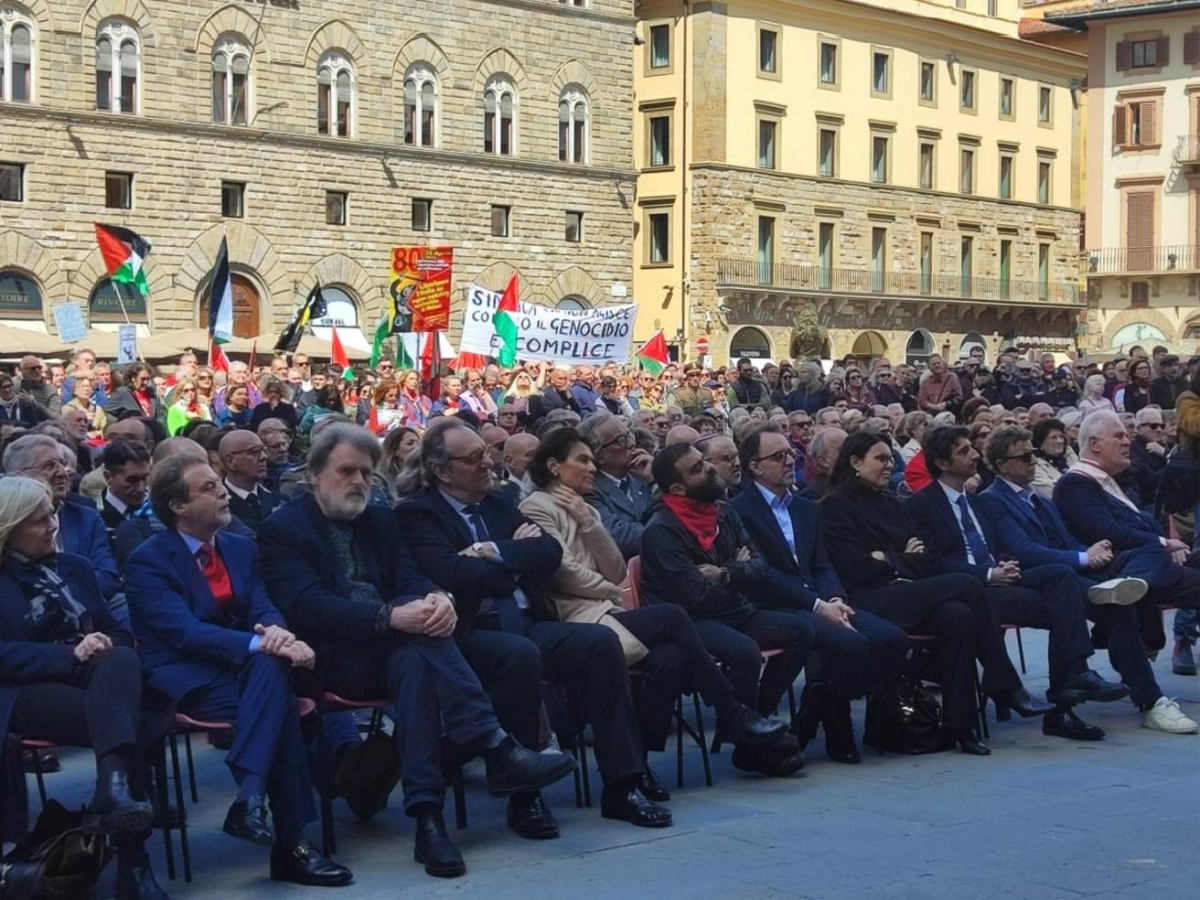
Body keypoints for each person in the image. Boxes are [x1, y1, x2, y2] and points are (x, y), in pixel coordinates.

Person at [259, 424, 576, 878]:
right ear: (313, 474)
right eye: (346, 471)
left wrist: (436, 599)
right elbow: (306, 605)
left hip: (397, 649)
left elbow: (409, 575)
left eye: (366, 473)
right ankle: (493, 746)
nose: (358, 482)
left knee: (416, 664)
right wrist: (389, 617)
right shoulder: (283, 528)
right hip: (333, 656)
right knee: (419, 647)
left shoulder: (379, 517)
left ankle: (429, 819)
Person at [123, 456, 352, 887]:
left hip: (248, 670)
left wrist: (277, 635)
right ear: (178, 506)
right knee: (277, 704)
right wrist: (262, 644)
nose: (223, 492)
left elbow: (263, 606)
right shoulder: (147, 561)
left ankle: (250, 801)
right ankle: (291, 846)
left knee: (271, 678)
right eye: (209, 488)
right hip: (187, 675)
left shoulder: (241, 547)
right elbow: (184, 632)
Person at [820, 432, 1053, 755]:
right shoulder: (835, 506)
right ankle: (1004, 683)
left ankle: (961, 726)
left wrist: (887, 557)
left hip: (909, 592)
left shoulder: (894, 504)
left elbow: (927, 561)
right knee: (966, 583)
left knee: (958, 615)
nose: (889, 465)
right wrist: (899, 557)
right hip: (868, 599)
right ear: (855, 462)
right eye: (880, 458)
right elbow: (855, 568)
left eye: (890, 458)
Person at [908, 426, 1129, 741]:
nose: (974, 455)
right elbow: (933, 563)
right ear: (942, 463)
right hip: (970, 590)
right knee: (1063, 610)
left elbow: (996, 545)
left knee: (1060, 577)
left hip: (1000, 577)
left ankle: (1076, 674)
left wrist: (1003, 564)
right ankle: (1061, 706)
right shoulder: (921, 505)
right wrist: (988, 574)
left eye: (972, 447)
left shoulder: (977, 501)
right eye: (963, 451)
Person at [0, 476, 164, 900]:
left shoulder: (75, 567)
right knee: (130, 723)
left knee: (121, 662)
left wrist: (104, 645)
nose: (53, 525)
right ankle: (133, 862)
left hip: (99, 682)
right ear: (9, 528)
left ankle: (113, 793)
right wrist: (70, 654)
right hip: (25, 691)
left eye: (52, 515)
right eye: (38, 522)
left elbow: (116, 631)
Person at [978, 426, 1196, 734]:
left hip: (1072, 570)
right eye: (1025, 456)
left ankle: (1124, 587)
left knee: (1150, 549)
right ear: (1001, 464)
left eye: (1034, 455)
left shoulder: (1038, 499)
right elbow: (1023, 551)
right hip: (1035, 578)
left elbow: (1067, 539)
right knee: (1110, 605)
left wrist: (1092, 551)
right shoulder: (993, 500)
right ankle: (1150, 700)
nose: (1033, 461)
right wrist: (1083, 558)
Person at [731, 428, 909, 763]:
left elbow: (822, 563)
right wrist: (816, 604)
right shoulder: (739, 510)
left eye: (790, 454)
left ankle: (817, 710)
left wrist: (835, 599)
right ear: (755, 467)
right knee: (851, 645)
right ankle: (836, 732)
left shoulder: (805, 508)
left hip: (821, 600)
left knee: (892, 639)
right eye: (778, 456)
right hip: (777, 606)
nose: (789, 461)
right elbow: (762, 574)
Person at [640, 443, 811, 774]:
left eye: (704, 461)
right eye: (696, 468)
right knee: (744, 652)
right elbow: (694, 596)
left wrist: (725, 573)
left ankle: (756, 717)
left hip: (736, 609)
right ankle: (751, 742)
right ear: (677, 488)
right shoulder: (661, 530)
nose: (708, 468)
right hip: (691, 622)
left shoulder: (724, 511)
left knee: (802, 632)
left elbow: (761, 566)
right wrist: (737, 572)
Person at [1053, 411, 1200, 615]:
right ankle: (1123, 591)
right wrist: (1163, 543)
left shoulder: (1104, 479)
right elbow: (1106, 532)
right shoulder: (1075, 483)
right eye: (1119, 436)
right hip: (1125, 565)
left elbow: (1140, 524)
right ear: (1095, 445)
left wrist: (1166, 544)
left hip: (1151, 560)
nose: (1127, 442)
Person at [3, 435, 121, 602]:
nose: (63, 473)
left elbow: (108, 575)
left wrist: (68, 599)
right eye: (50, 465)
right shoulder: (9, 520)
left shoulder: (86, 517)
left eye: (63, 464)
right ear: (19, 475)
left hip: (94, 605)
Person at [578, 414, 654, 559]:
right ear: (598, 455)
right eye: (621, 440)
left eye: (629, 435)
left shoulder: (643, 474)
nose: (632, 444)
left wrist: (655, 481)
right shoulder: (589, 490)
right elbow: (620, 538)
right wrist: (668, 531)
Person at [218, 431, 282, 535]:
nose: (263, 457)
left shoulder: (279, 500)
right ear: (230, 461)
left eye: (263, 450)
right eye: (254, 451)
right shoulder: (218, 507)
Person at [99, 439, 152, 535]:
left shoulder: (158, 510)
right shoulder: (94, 516)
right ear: (108, 477)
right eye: (132, 480)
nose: (141, 488)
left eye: (144, 478)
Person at [1128, 407, 1168, 510]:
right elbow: (1149, 481)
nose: (1159, 430)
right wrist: (1169, 459)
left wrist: (1165, 453)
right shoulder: (1131, 450)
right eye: (1153, 426)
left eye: (1161, 426)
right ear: (1139, 428)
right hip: (1146, 505)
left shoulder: (1164, 446)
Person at [1030, 418, 1077, 499]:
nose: (1059, 441)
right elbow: (1052, 492)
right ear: (1041, 442)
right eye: (1053, 437)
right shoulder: (1035, 467)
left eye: (1061, 436)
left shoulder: (1069, 455)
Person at [64, 375, 108, 439]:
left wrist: (98, 433)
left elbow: (105, 428)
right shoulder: (68, 408)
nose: (86, 389)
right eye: (83, 386)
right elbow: (68, 429)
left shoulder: (98, 409)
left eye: (89, 386)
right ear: (75, 391)